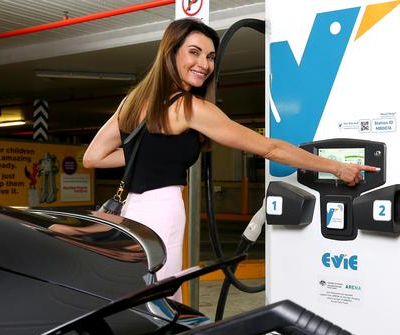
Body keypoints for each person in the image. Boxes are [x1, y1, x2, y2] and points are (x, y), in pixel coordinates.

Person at [83, 18, 379, 302]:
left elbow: (94, 157)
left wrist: (145, 154)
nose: (204, 64)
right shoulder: (188, 107)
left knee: (139, 293)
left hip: (129, 214)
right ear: (171, 52)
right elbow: (270, 148)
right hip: (162, 214)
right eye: (194, 53)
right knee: (162, 298)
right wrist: (337, 167)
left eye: (211, 57)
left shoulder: (132, 101)